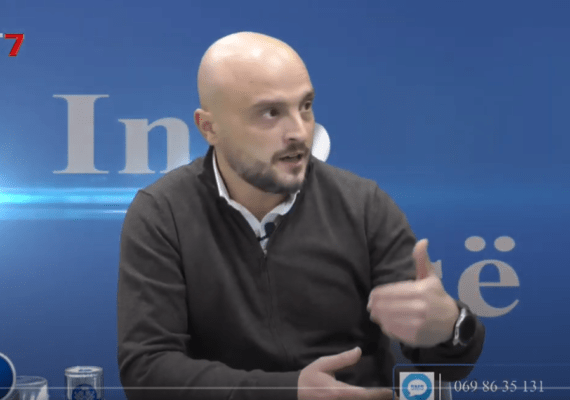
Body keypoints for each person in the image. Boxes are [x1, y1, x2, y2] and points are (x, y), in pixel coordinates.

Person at [117, 31, 485, 400]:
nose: (299, 132)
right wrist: (287, 392)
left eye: (305, 106)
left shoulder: (363, 206)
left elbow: (447, 365)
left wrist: (451, 328)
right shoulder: (162, 213)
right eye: (270, 113)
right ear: (209, 128)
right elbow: (147, 371)